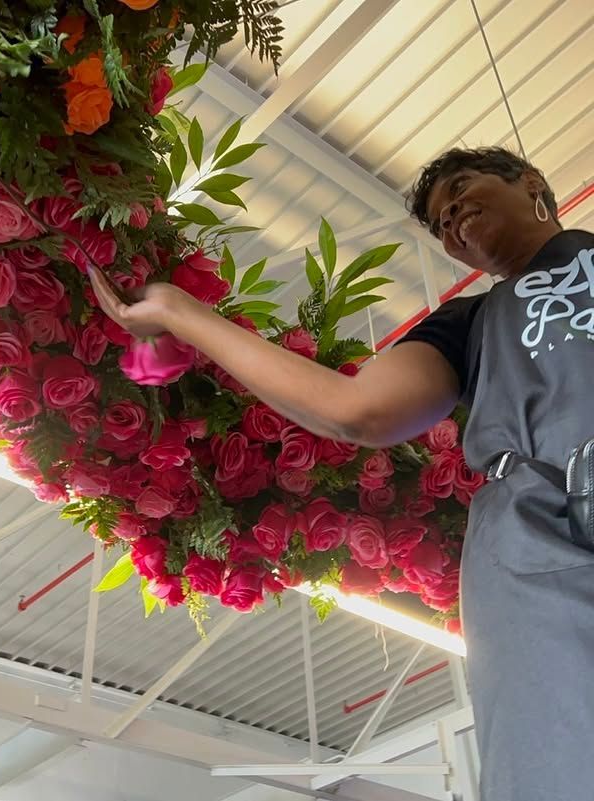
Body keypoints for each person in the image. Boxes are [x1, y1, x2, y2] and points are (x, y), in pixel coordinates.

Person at [89, 146, 594, 801]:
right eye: (440, 221)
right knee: (564, 745)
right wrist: (183, 313)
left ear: (532, 182)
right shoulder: (465, 327)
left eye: (464, 189)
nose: (453, 219)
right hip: (533, 543)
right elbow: (358, 410)